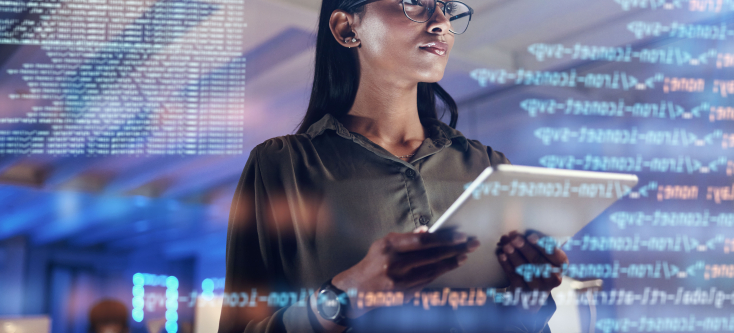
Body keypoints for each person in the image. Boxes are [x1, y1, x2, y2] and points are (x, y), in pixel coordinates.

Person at [217, 0, 568, 331]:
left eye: (446, 8)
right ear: (346, 29)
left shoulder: (488, 167)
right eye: (414, 2)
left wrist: (530, 301)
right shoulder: (283, 166)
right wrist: (345, 295)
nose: (442, 23)